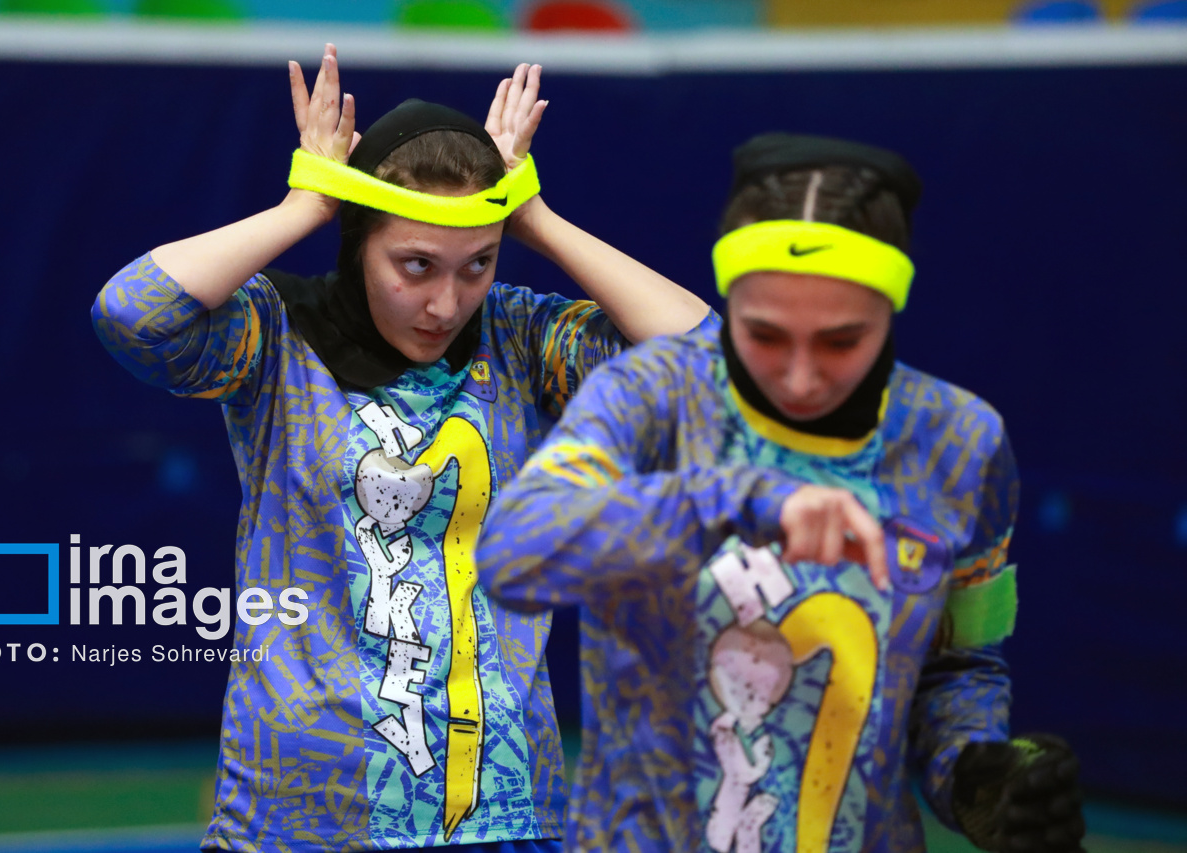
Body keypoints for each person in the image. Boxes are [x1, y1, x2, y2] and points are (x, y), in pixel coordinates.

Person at [92, 45, 709, 852]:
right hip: (302, 814)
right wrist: (305, 205)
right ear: (360, 242)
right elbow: (129, 313)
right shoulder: (276, 336)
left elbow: (706, 366)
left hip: (503, 810)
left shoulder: (522, 338)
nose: (445, 303)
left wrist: (534, 219)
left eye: (478, 264)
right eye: (415, 266)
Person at [475, 133, 1086, 852]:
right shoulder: (653, 394)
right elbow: (515, 553)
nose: (799, 377)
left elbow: (960, 661)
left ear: (889, 308)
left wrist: (977, 775)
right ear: (729, 303)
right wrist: (740, 499)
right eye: (764, 335)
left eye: (839, 341)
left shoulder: (960, 443)